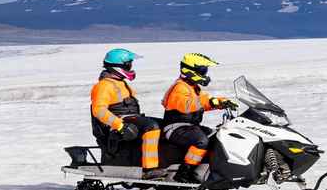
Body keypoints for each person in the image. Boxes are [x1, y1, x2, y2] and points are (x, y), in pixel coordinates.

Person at [160, 52, 236, 183]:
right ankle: (185, 172)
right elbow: (185, 105)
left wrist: (221, 102)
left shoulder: (192, 87)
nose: (205, 74)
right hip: (175, 127)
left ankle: (211, 172)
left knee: (215, 136)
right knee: (201, 141)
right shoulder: (180, 87)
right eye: (203, 70)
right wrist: (212, 103)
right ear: (191, 70)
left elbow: (204, 101)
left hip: (189, 126)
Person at [90, 47, 165, 178]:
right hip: (118, 125)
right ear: (119, 66)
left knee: (166, 126)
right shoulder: (104, 86)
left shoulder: (121, 83)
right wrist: (120, 126)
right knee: (151, 126)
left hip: (131, 119)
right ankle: (149, 170)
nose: (130, 67)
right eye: (128, 64)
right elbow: (99, 110)